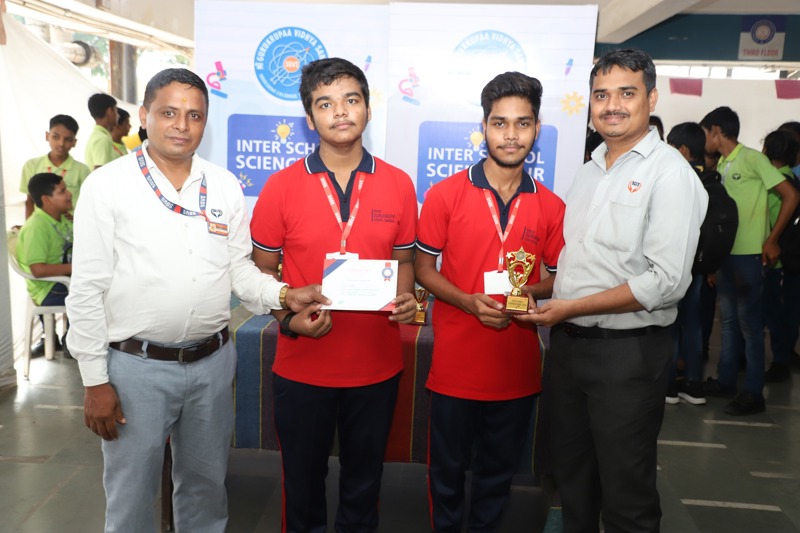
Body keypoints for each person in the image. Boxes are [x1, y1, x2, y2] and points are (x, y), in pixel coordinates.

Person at [66, 68, 329, 533]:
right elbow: (86, 287)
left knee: (206, 490)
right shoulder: (107, 185)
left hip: (212, 363)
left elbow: (239, 271)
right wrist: (94, 380)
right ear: (144, 115)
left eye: (194, 115)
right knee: (131, 496)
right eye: (168, 112)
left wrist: (285, 294)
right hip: (135, 368)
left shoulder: (223, 184)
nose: (181, 125)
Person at [531, 49, 707, 532]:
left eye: (626, 93)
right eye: (601, 95)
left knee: (626, 496)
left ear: (651, 98)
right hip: (569, 349)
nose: (612, 106)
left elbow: (665, 281)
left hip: (627, 355)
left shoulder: (670, 174)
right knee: (573, 482)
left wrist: (568, 307)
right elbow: (580, 264)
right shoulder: (588, 171)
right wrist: (534, 293)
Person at [250, 58, 418, 533]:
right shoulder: (280, 187)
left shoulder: (399, 184)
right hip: (302, 364)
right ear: (310, 119)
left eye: (351, 99)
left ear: (368, 109)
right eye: (325, 104)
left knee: (365, 485)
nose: (340, 111)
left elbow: (405, 261)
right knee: (302, 486)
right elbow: (259, 273)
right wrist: (287, 320)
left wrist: (406, 298)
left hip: (376, 365)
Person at [415, 71, 565, 532]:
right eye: (500, 123)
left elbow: (558, 279)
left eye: (523, 123)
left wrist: (527, 293)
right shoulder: (445, 195)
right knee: (445, 473)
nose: (511, 135)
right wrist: (467, 301)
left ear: (537, 129)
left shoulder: (552, 206)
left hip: (516, 370)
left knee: (497, 476)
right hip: (455, 366)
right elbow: (423, 270)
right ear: (484, 127)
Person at [700, 106, 799, 415]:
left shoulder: (753, 159)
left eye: (705, 133)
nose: (704, 140)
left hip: (750, 256)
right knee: (729, 322)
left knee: (751, 326)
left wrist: (772, 240)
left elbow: (791, 195)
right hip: (726, 255)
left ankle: (754, 393)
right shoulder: (723, 163)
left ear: (717, 131)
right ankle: (726, 381)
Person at [664, 122, 735, 405]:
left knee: (670, 323)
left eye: (670, 147)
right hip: (698, 265)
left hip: (675, 264)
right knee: (693, 324)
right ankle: (693, 384)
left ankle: (670, 385)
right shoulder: (710, 179)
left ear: (682, 150)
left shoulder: (678, 178)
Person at [762, 129, 800, 382]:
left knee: (775, 311)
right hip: (793, 257)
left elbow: (770, 219)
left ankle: (780, 361)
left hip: (778, 260)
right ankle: (784, 356)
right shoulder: (792, 178)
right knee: (789, 310)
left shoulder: (776, 184)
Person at [19, 114, 89, 219]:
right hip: (42, 225)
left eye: (68, 139)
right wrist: (29, 225)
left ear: (74, 142)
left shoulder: (82, 170)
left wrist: (77, 219)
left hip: (71, 225)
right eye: (56, 137)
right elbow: (29, 201)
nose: (61, 143)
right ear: (47, 136)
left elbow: (88, 203)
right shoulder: (31, 166)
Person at [84, 92, 121, 169]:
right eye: (116, 110)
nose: (118, 115)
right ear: (110, 111)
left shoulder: (97, 135)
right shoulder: (102, 139)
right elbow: (99, 171)